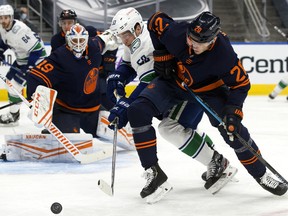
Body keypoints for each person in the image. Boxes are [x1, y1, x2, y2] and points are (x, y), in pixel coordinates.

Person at [127, 10, 288, 199]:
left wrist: (233, 112)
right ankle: (153, 172)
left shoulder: (224, 54)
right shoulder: (179, 33)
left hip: (209, 89)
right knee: (137, 111)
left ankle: (261, 174)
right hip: (175, 81)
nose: (191, 44)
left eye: (198, 42)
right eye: (190, 38)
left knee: (233, 132)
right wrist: (163, 55)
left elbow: (241, 84)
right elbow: (155, 21)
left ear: (212, 41)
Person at [107, 7, 237, 203]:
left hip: (186, 91)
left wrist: (127, 103)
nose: (123, 40)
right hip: (174, 93)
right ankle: (216, 160)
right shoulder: (132, 40)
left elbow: (152, 79)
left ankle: (216, 162)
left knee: (170, 128)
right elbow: (127, 64)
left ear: (136, 28)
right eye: (120, 36)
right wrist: (118, 77)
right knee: (175, 128)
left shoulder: (149, 41)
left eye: (124, 34)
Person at [26, 23, 118, 137]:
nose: (78, 44)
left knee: (119, 134)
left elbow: (108, 39)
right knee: (68, 140)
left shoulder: (94, 46)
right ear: (68, 40)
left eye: (81, 40)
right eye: (75, 40)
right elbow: (35, 75)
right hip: (67, 110)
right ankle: (54, 126)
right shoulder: (60, 56)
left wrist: (112, 50)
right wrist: (36, 100)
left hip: (93, 109)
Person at [50, 9, 116, 113]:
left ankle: (118, 117)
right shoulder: (56, 40)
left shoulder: (90, 31)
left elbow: (112, 41)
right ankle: (55, 120)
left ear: (75, 22)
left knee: (104, 96)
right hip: (73, 77)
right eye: (64, 23)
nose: (67, 26)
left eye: (70, 22)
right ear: (60, 24)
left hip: (94, 74)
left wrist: (108, 63)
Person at [0, 4, 47, 126]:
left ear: (11, 17)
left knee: (14, 86)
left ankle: (14, 117)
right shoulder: (2, 27)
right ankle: (14, 114)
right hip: (22, 59)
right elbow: (6, 42)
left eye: (5, 17)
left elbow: (37, 50)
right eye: (1, 18)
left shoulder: (20, 30)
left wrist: (29, 68)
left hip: (35, 60)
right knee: (9, 82)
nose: (3, 20)